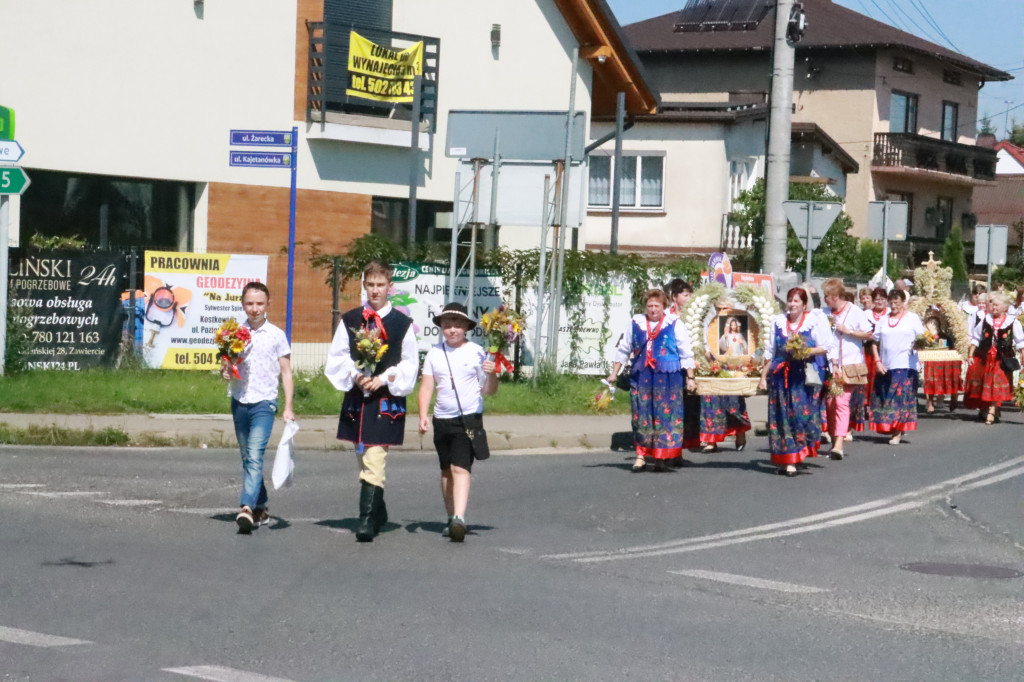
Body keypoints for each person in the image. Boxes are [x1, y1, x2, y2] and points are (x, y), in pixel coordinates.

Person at [325, 260, 418, 543]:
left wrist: (385, 378)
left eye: (380, 285)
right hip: (357, 400)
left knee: (375, 459)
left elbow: (410, 363)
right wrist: (355, 375)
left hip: (385, 402)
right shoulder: (351, 320)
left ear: (390, 287)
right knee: (363, 457)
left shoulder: (402, 324)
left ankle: (365, 520)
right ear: (364, 285)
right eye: (370, 285)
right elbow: (337, 356)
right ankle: (378, 509)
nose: (375, 291)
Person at [418, 303, 498, 543]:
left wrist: (492, 373)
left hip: (469, 418)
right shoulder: (434, 353)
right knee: (446, 470)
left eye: (457, 325)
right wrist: (422, 414)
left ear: (466, 328)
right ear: (442, 327)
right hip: (442, 418)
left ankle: (459, 519)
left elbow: (489, 390)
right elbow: (427, 386)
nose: (452, 329)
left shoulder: (476, 352)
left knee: (460, 468)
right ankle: (450, 517)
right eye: (447, 325)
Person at [223, 282, 295, 534]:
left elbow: (286, 372)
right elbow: (228, 365)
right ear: (243, 304)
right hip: (240, 400)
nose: (254, 309)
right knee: (248, 458)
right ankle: (261, 507)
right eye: (249, 304)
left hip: (265, 403)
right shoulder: (234, 333)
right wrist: (225, 369)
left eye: (259, 304)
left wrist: (288, 406)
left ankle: (246, 508)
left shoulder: (276, 335)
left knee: (255, 455)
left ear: (268, 304)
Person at [607, 289, 696, 472]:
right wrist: (614, 373)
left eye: (657, 305)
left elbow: (686, 352)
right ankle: (640, 455)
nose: (653, 309)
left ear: (664, 307)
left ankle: (661, 458)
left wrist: (690, 378)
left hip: (669, 378)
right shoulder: (636, 323)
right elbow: (624, 349)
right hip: (642, 377)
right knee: (642, 416)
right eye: (650, 306)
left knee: (666, 418)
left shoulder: (675, 323)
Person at [758, 288, 834, 476]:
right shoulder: (777, 321)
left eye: (796, 301)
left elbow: (826, 346)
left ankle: (799, 451)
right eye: (790, 300)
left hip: (802, 376)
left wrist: (806, 352)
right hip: (780, 375)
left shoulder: (812, 321)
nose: (792, 304)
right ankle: (788, 459)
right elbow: (771, 351)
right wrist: (762, 377)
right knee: (781, 417)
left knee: (801, 416)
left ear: (804, 305)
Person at [822, 279, 874, 461]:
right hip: (830, 365)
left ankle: (838, 445)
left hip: (850, 365)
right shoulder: (825, 313)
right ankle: (833, 435)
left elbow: (869, 333)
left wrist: (849, 331)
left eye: (826, 297)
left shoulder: (855, 312)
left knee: (841, 402)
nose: (824, 300)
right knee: (830, 405)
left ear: (835, 297)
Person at [870, 289, 924, 445]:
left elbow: (922, 338)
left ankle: (897, 431)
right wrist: (877, 361)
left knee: (901, 398)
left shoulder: (912, 318)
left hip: (906, 365)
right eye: (891, 302)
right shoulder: (883, 320)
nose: (894, 305)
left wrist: (919, 345)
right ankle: (891, 426)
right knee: (886, 398)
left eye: (897, 302)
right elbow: (874, 342)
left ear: (903, 302)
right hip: (886, 365)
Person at [963, 291, 1024, 424]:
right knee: (986, 384)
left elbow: (1020, 342)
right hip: (985, 357)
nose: (994, 307)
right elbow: (976, 338)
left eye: (997, 305)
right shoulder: (986, 320)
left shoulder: (1013, 322)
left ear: (1005, 307)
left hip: (1002, 359)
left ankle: (991, 410)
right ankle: (987, 408)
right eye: (993, 305)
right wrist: (970, 354)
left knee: (997, 385)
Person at [922, 311, 961, 413]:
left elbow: (950, 348)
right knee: (930, 381)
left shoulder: (944, 337)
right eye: (930, 323)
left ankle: (953, 398)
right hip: (931, 362)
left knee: (950, 380)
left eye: (934, 324)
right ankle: (930, 402)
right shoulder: (925, 338)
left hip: (945, 362)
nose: (932, 326)